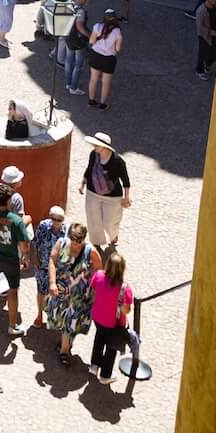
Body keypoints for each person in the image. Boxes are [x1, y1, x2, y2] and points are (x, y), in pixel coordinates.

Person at [0, 184, 31, 335]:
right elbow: (24, 244)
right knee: (13, 291)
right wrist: (26, 258)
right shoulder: (16, 221)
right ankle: (12, 326)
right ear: (9, 201)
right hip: (11, 259)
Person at [47, 222, 97, 365]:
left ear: (83, 239)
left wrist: (93, 287)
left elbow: (99, 269)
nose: (75, 244)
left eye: (78, 241)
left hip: (79, 296)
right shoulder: (61, 243)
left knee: (72, 322)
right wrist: (52, 282)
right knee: (59, 319)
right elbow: (52, 260)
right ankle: (65, 342)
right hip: (61, 291)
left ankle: (64, 351)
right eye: (72, 240)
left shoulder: (90, 251)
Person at [89, 250, 136, 384]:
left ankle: (94, 366)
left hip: (97, 318)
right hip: (113, 323)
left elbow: (93, 291)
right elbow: (126, 311)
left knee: (99, 340)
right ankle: (105, 375)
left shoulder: (98, 276)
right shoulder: (125, 288)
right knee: (111, 347)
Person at [80, 133, 131, 249]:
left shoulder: (118, 161)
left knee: (110, 222)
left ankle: (113, 236)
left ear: (105, 146)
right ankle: (96, 243)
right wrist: (82, 184)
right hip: (93, 192)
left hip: (112, 196)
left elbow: (125, 180)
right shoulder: (93, 155)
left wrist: (127, 196)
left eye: (97, 145)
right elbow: (89, 170)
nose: (94, 146)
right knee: (93, 219)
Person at [86, 10, 124, 109]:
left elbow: (91, 41)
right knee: (105, 82)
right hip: (109, 59)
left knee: (93, 79)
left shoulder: (97, 26)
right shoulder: (117, 31)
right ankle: (102, 104)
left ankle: (91, 100)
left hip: (96, 55)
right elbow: (118, 49)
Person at [196, 0, 216, 80]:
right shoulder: (201, 11)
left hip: (215, 34)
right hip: (204, 35)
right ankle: (199, 70)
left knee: (214, 52)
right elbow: (200, 26)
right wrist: (210, 32)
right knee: (202, 53)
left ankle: (208, 65)